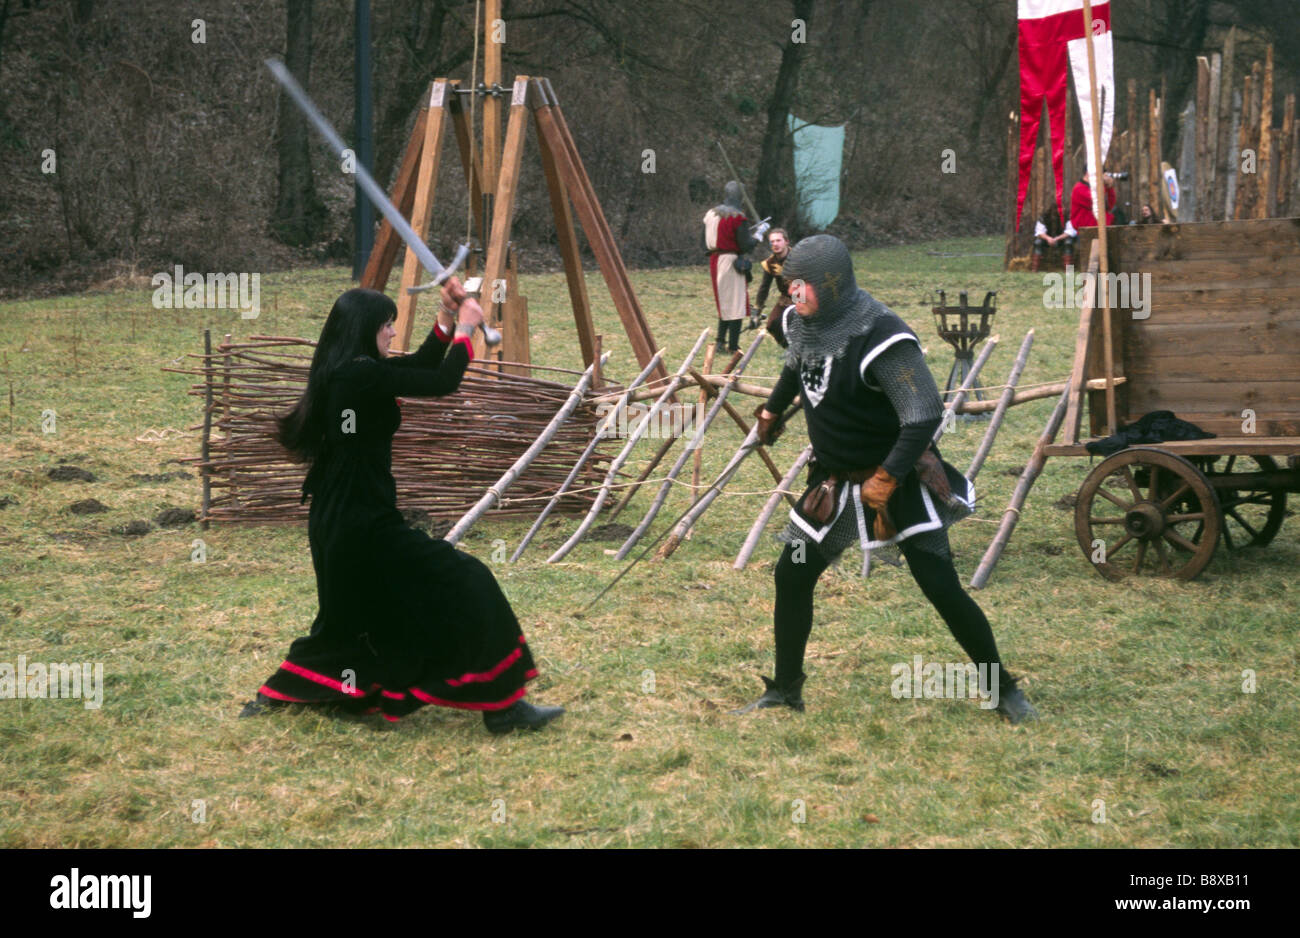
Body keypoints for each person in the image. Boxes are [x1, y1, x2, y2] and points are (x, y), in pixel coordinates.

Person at [737, 235, 1038, 724]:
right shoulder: (802, 323)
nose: (794, 297)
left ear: (831, 286)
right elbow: (799, 362)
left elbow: (921, 416)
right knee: (792, 575)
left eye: (804, 287)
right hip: (831, 485)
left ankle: (1002, 689)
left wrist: (886, 477)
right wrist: (773, 409)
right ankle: (786, 690)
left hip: (898, 480)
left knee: (940, 584)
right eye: (791, 286)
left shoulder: (883, 337)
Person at [239, 285, 564, 734]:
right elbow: (443, 381)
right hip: (360, 524)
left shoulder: (353, 371)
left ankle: (286, 693)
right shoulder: (357, 376)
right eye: (387, 325)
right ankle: (504, 707)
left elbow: (420, 366)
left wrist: (448, 321)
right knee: (468, 580)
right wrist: (469, 328)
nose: (393, 332)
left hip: (347, 519)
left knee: (353, 617)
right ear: (364, 330)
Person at [703, 180, 764, 353]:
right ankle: (732, 346)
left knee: (726, 303)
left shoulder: (710, 214)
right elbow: (746, 245)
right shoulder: (738, 217)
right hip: (730, 261)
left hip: (715, 260)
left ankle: (721, 342)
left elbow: (704, 242)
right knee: (736, 305)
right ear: (740, 197)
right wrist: (758, 234)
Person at [755, 227, 794, 331]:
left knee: (799, 326)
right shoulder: (770, 263)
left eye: (778, 240)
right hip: (786, 299)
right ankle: (789, 346)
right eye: (772, 241)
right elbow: (764, 287)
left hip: (804, 298)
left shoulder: (798, 256)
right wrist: (757, 309)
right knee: (772, 325)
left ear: (786, 241)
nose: (775, 244)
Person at [1030, 204, 1077, 272]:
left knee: (1068, 242)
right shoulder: (1044, 217)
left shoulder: (1068, 217)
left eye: (1063, 207)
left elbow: (1070, 232)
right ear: (1054, 210)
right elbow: (1039, 232)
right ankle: (1034, 269)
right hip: (1047, 240)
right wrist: (1048, 238)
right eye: (1060, 208)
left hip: (1061, 240)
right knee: (1038, 242)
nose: (1063, 209)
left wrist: (1056, 239)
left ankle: (1069, 270)